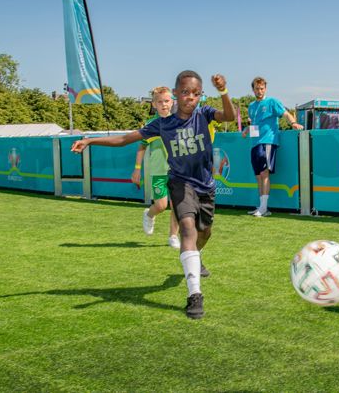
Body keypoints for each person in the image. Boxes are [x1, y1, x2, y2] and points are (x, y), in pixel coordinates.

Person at [72, 71, 235, 319]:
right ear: (176, 94)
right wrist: (91, 141)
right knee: (188, 230)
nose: (190, 97)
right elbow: (126, 139)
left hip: (206, 186)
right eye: (184, 92)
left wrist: (224, 91)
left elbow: (230, 116)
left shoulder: (204, 114)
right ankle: (194, 295)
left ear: (200, 95)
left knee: (205, 233)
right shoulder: (163, 124)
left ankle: (196, 257)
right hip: (180, 183)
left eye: (195, 93)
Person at [241, 76, 303, 217]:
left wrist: (293, 123)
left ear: (265, 88)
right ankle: (262, 207)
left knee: (264, 173)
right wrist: (246, 130)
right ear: (253, 89)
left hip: (268, 141)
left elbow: (286, 114)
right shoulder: (251, 106)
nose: (260, 91)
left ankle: (264, 207)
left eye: (262, 88)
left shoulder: (272, 102)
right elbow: (254, 125)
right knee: (258, 176)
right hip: (254, 144)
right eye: (257, 89)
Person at [131, 86, 180, 249]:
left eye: (166, 101)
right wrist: (137, 169)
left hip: (177, 171)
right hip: (158, 171)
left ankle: (173, 236)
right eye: (160, 102)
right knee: (161, 205)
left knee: (177, 205)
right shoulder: (151, 125)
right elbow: (141, 147)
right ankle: (149, 214)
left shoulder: (179, 121)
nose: (164, 104)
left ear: (172, 102)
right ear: (154, 104)